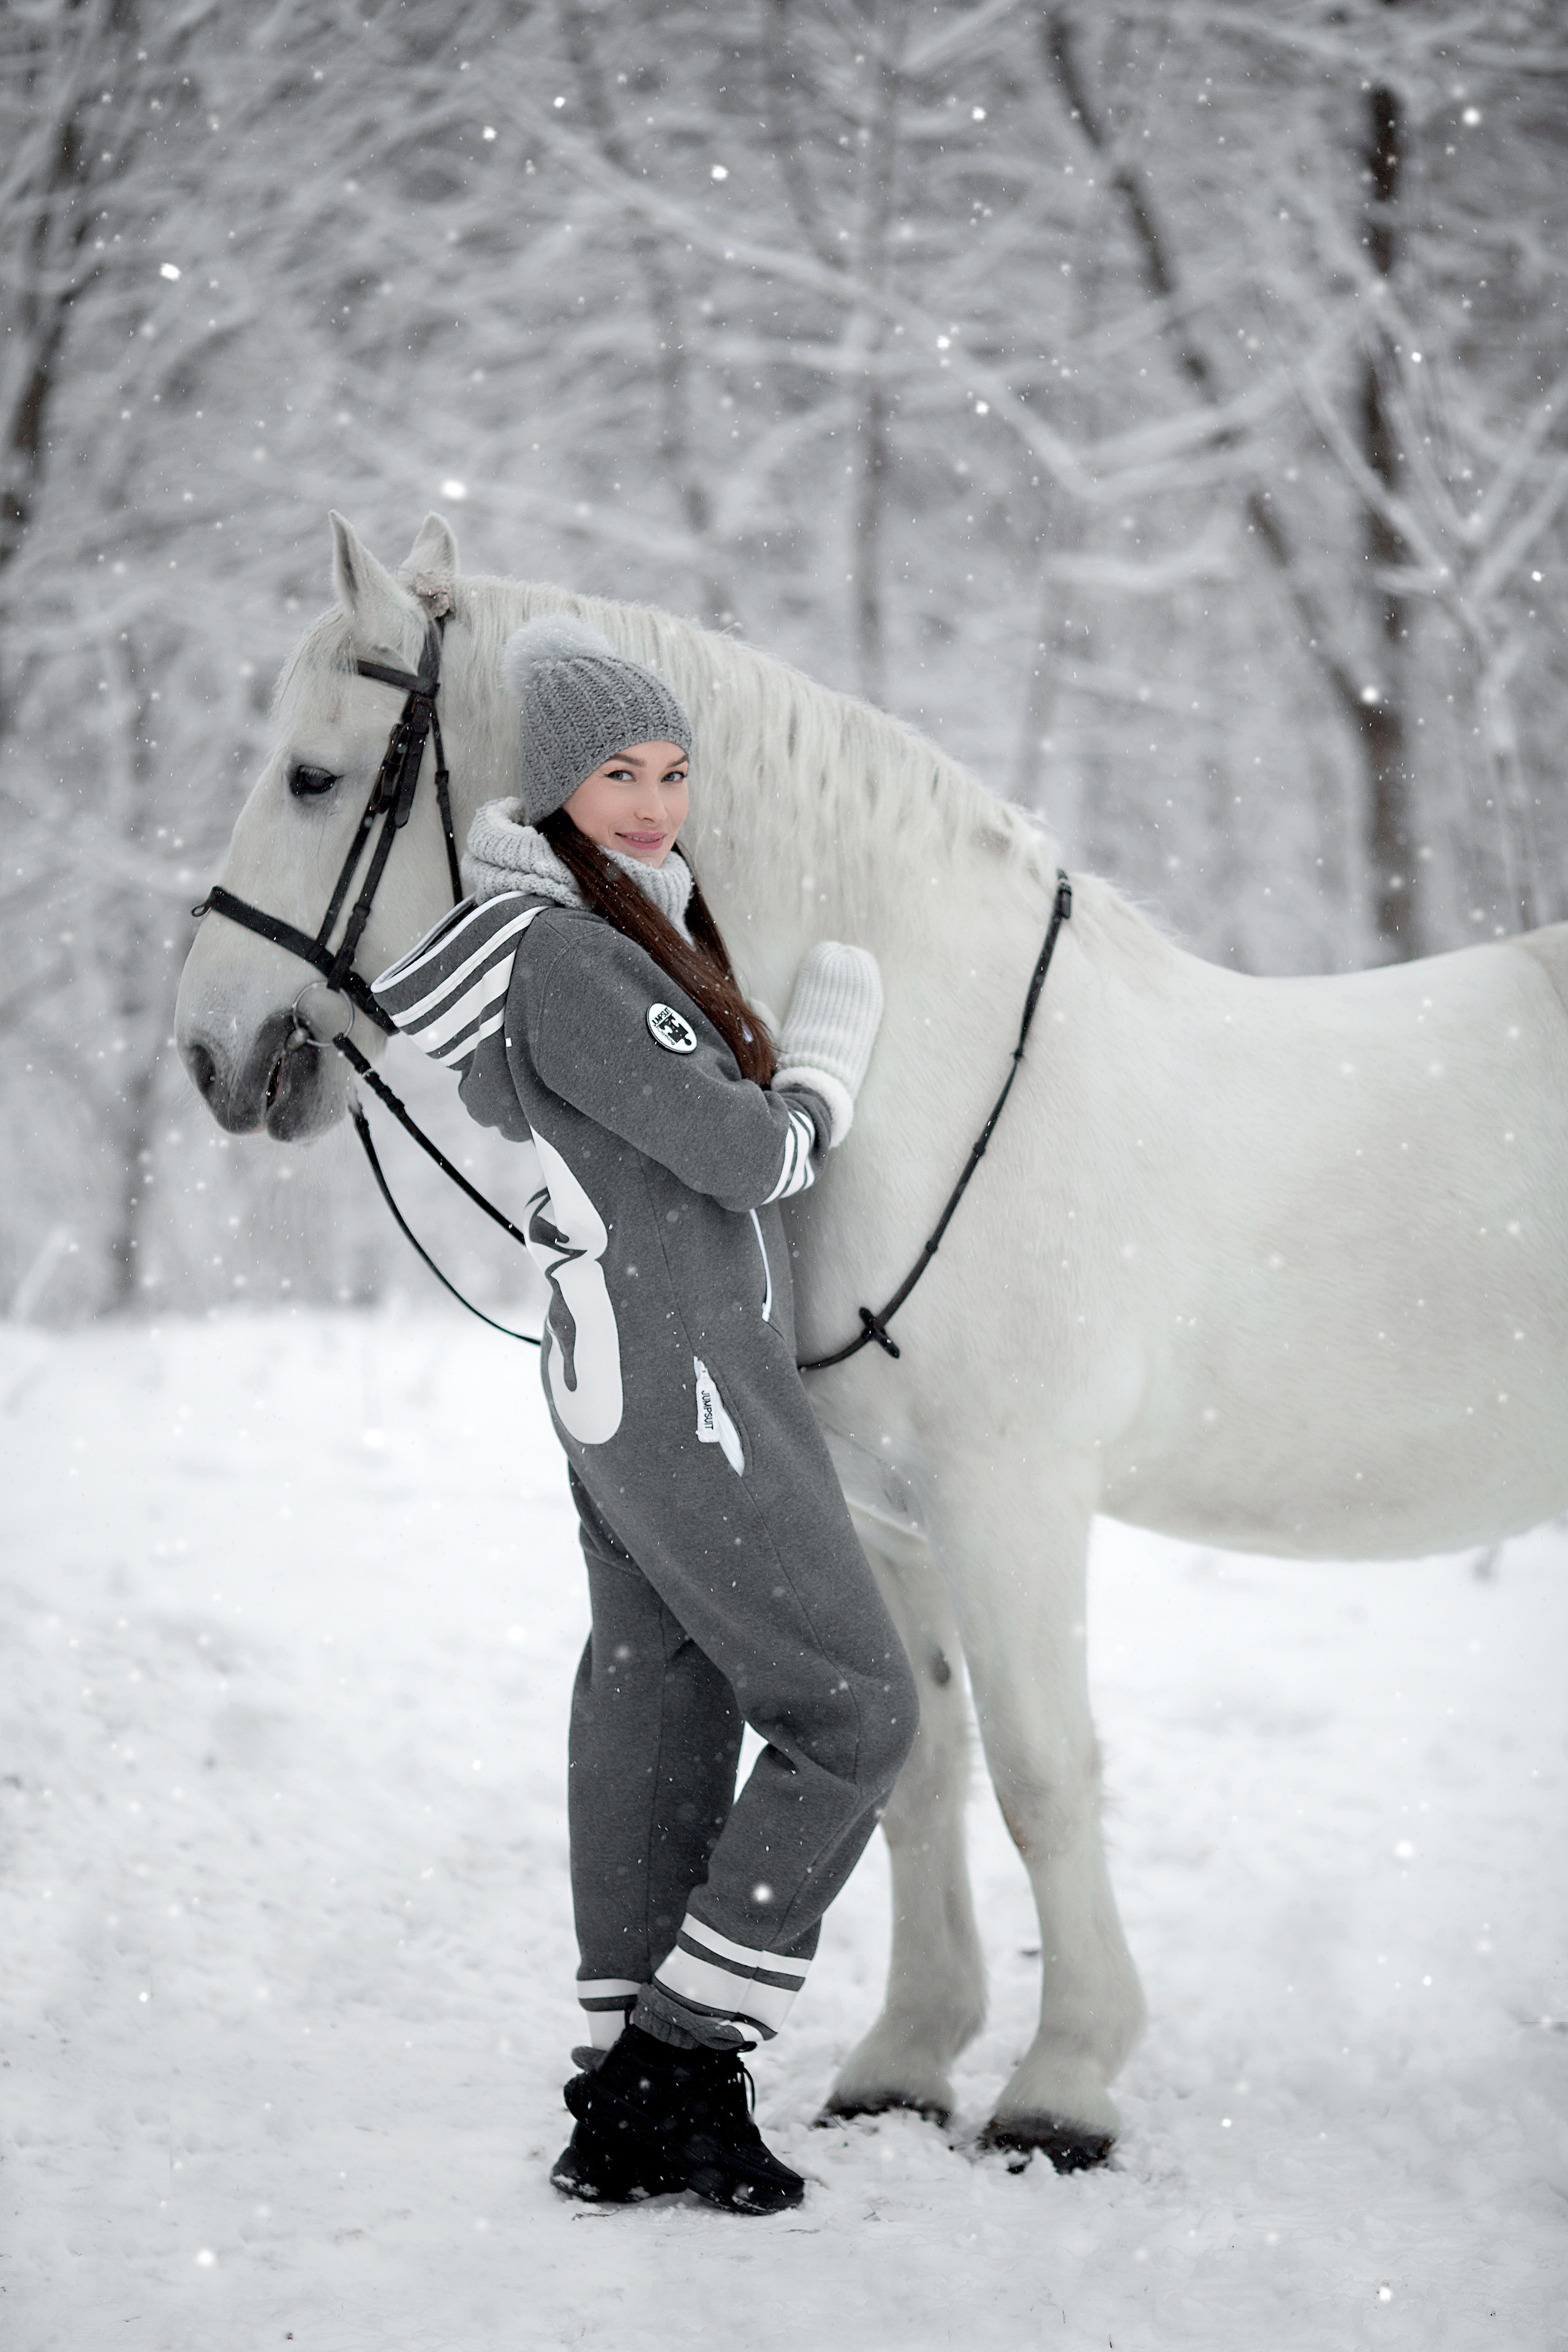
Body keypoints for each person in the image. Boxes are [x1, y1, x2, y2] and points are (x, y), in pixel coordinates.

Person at [372, 614, 919, 2215]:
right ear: (554, 789)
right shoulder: (579, 958)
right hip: (686, 1394)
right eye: (619, 773)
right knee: (854, 1711)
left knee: (658, 1690)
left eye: (675, 774)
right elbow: (748, 1156)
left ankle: (623, 2079)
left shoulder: (572, 946)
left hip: (625, 1376)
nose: (655, 804)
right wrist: (820, 1070)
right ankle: (684, 2061)